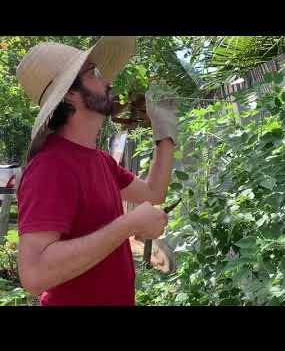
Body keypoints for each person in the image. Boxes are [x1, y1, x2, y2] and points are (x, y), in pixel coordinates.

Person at [15, 37, 178, 306]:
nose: (107, 82)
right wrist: (129, 224)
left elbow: (154, 192)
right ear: (70, 93)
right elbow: (34, 275)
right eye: (93, 73)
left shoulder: (100, 161)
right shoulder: (50, 166)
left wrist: (165, 135)